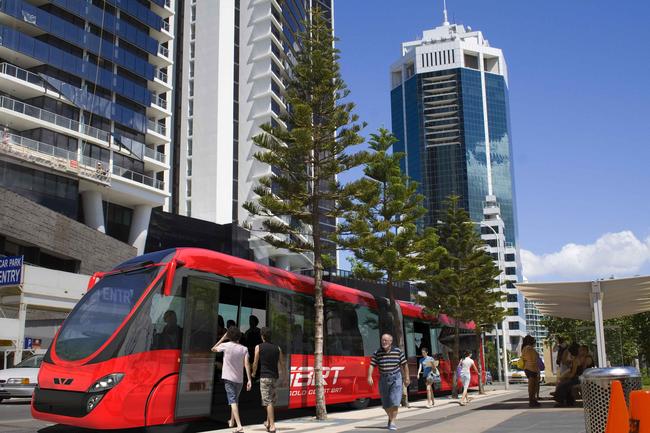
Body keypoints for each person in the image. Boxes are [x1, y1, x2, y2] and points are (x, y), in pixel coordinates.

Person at [212, 327, 252, 432]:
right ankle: (232, 420)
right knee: (235, 400)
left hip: (228, 378)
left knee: (232, 400)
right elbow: (247, 365)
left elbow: (213, 349)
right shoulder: (244, 349)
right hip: (239, 379)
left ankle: (239, 426)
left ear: (229, 336)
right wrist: (249, 380)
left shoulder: (225, 345)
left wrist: (222, 339)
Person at [367, 334, 409, 431]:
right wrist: (369, 376)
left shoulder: (398, 351)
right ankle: (391, 418)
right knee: (386, 403)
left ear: (391, 341)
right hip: (383, 379)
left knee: (395, 401)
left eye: (386, 340)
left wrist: (407, 378)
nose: (384, 342)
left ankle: (392, 422)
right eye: (382, 340)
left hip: (396, 378)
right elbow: (372, 365)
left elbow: (405, 365)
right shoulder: (377, 352)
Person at [252, 327, 285, 433]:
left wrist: (253, 373)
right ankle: (268, 422)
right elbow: (282, 364)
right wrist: (284, 377)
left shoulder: (258, 347)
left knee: (268, 402)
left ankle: (272, 426)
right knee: (270, 400)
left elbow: (255, 362)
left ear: (262, 336)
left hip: (264, 377)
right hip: (274, 378)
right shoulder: (278, 348)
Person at [521, 335, 541, 407]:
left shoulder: (524, 348)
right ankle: (532, 401)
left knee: (532, 386)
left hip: (528, 368)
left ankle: (533, 400)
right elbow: (534, 358)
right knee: (532, 386)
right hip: (532, 369)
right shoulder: (529, 348)